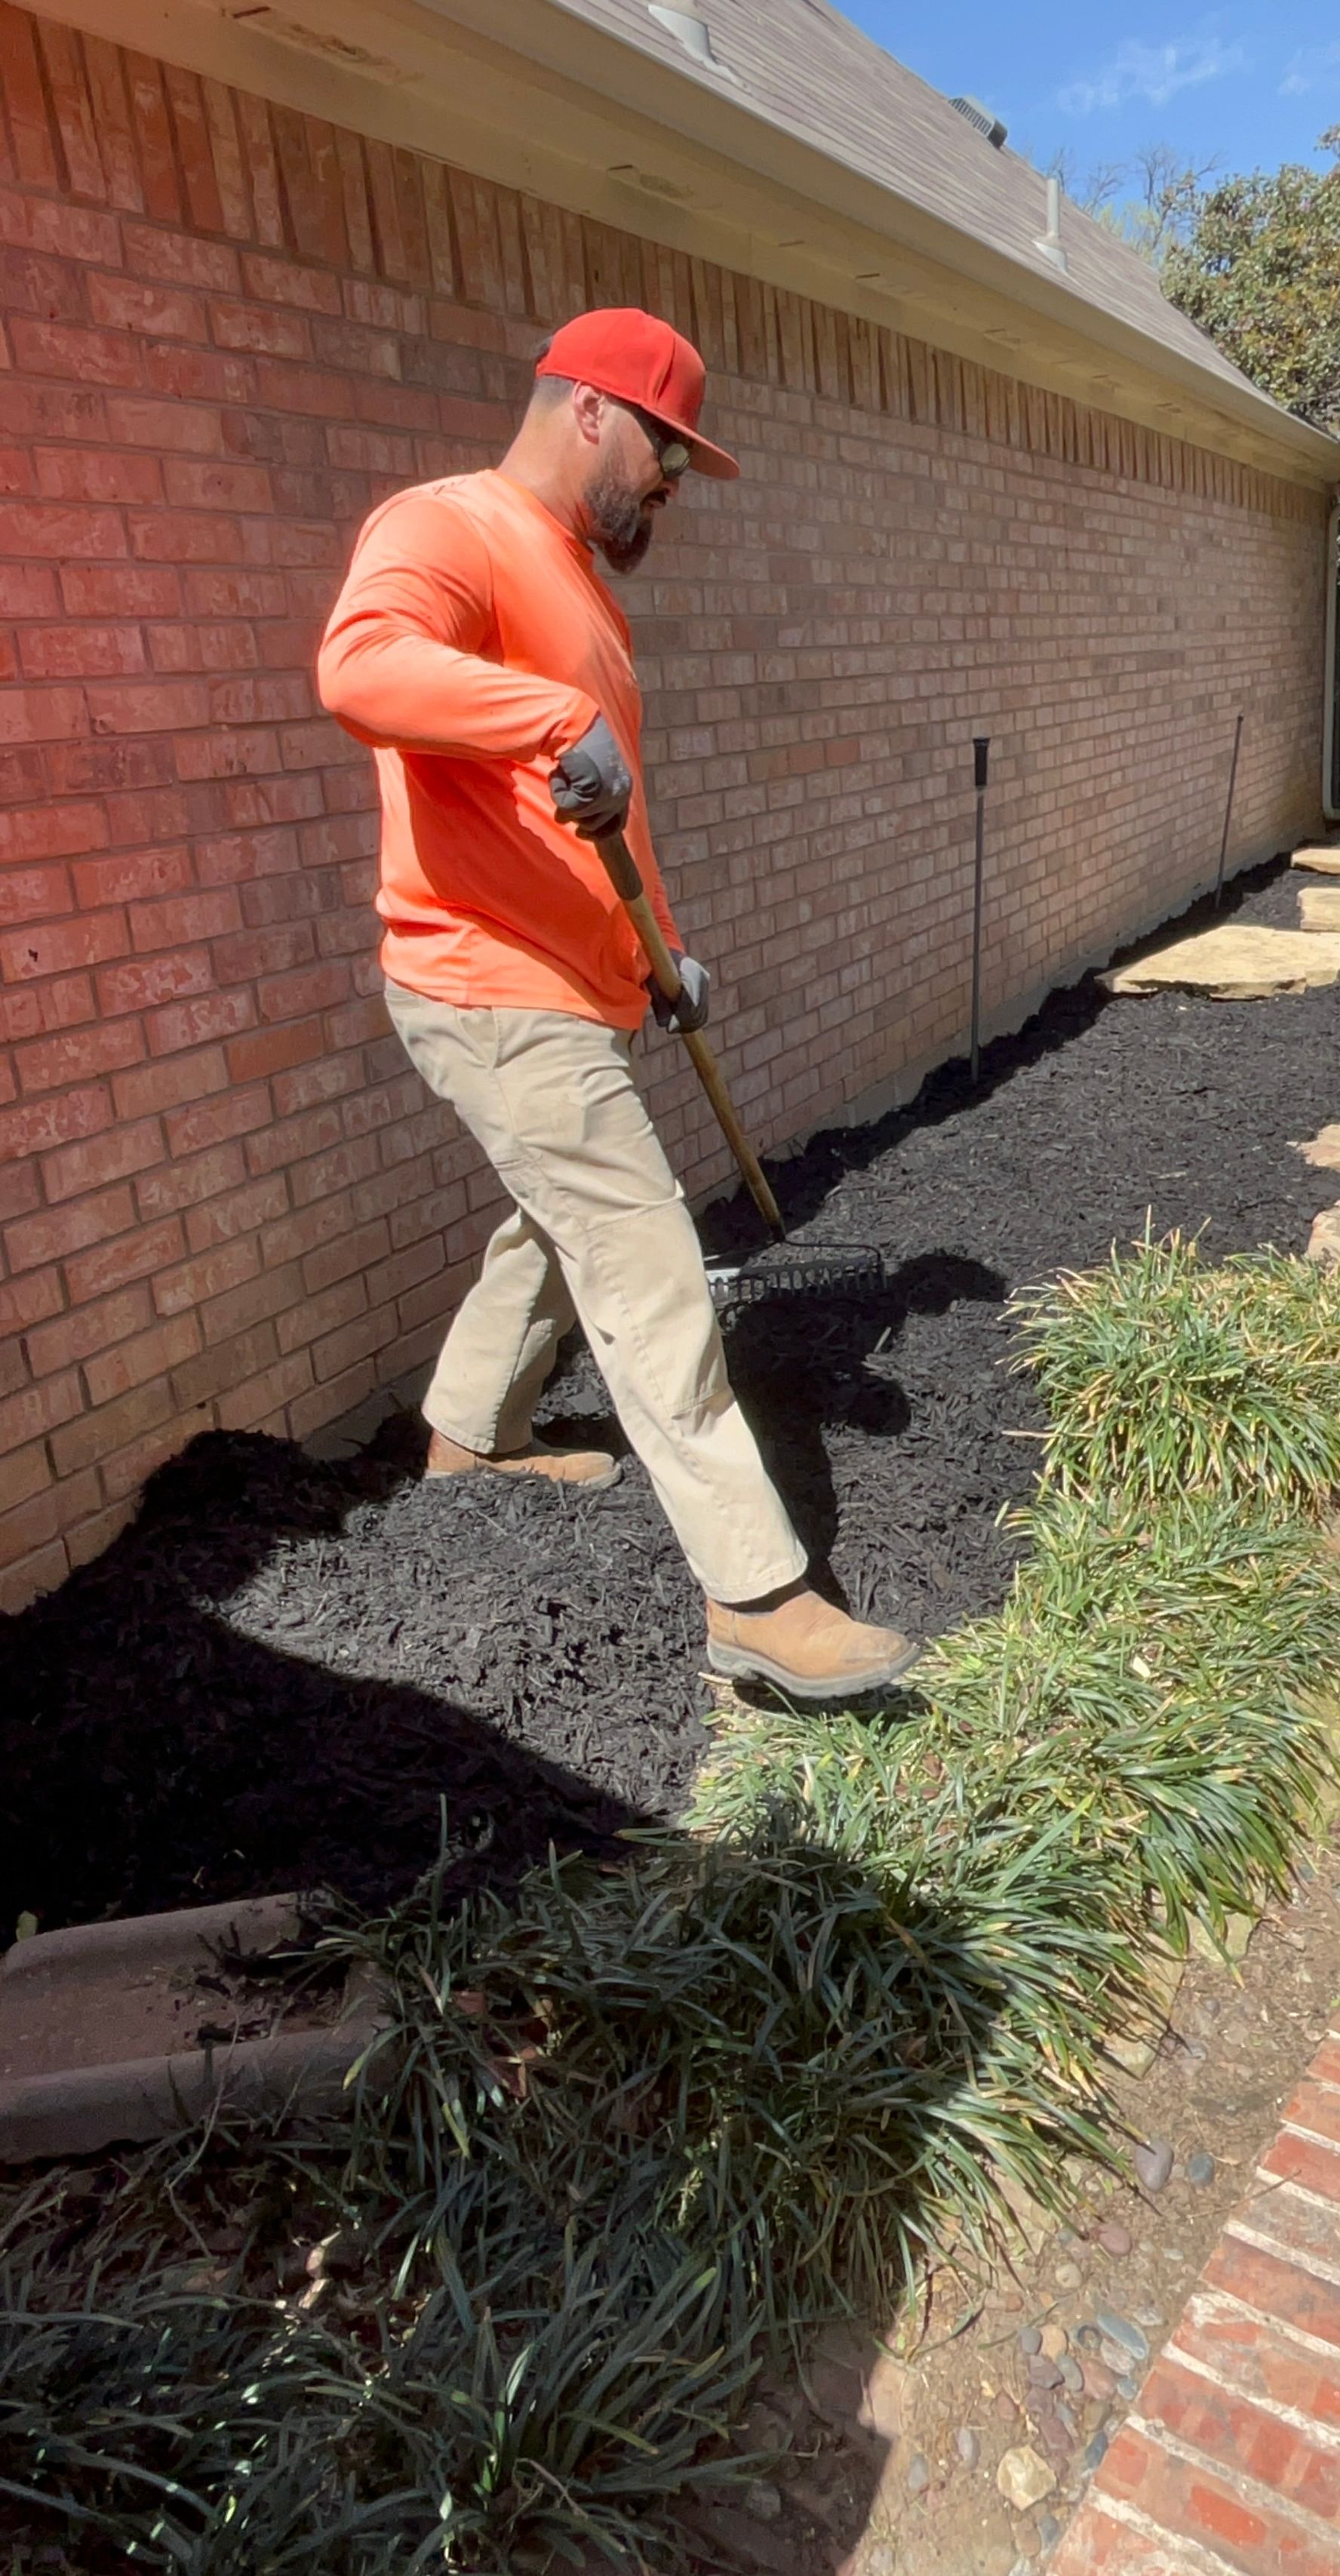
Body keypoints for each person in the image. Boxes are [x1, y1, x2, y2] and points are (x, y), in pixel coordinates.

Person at [317, 306, 914, 1699]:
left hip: (571, 981)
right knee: (645, 1265)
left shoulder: (579, 578)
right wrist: (541, 717)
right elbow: (358, 666)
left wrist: (665, 955)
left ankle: (471, 1437)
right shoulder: (451, 526)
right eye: (666, 449)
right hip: (485, 977)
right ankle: (757, 1597)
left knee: (555, 1216)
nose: (673, 483)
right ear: (591, 408)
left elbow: (599, 820)